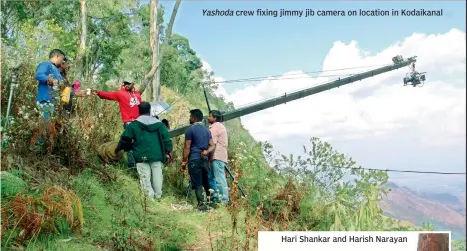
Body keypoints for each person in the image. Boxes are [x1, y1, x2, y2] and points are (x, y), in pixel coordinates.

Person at [115, 102, 173, 201]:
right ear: (149, 110)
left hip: (140, 155)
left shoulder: (134, 125)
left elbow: (125, 139)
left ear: (139, 111)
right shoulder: (159, 125)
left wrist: (118, 148)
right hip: (157, 154)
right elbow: (167, 139)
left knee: (145, 177)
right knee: (157, 176)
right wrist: (169, 151)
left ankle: (149, 199)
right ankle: (158, 196)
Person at [92, 78, 142, 167]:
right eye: (125, 83)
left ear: (133, 84)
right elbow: (108, 95)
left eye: (128, 83)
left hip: (139, 122)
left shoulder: (137, 94)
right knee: (129, 143)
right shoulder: (120, 93)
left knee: (139, 143)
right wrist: (98, 92)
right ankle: (132, 165)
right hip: (129, 122)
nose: (126, 85)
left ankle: (139, 162)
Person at [181, 109, 215, 211]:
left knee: (197, 183)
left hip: (194, 159)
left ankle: (201, 205)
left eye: (190, 116)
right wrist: (207, 151)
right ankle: (210, 203)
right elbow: (213, 145)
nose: (189, 118)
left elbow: (187, 147)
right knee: (206, 182)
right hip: (204, 160)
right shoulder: (207, 130)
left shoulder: (190, 130)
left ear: (194, 118)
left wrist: (183, 161)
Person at [35, 49, 66, 120]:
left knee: (51, 127)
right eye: (62, 58)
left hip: (54, 103)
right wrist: (51, 80)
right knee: (45, 126)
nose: (63, 61)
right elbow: (38, 75)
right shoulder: (46, 64)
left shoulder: (56, 70)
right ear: (57, 56)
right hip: (45, 101)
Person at [207, 110, 229, 205]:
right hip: (217, 156)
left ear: (215, 118)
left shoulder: (215, 128)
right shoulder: (219, 126)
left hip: (217, 156)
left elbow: (212, 143)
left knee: (219, 179)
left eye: (210, 116)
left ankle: (223, 201)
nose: (208, 117)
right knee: (211, 177)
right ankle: (216, 198)